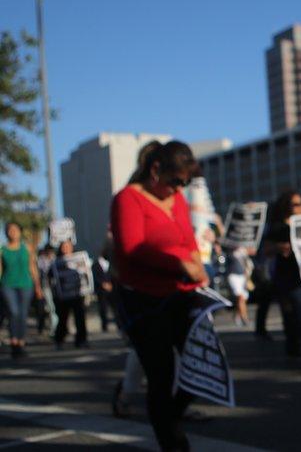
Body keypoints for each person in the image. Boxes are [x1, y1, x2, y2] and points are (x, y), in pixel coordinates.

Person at [111, 140, 209, 451]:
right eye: (175, 181)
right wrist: (178, 263)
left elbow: (187, 238)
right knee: (161, 373)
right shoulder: (128, 199)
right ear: (155, 170)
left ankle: (170, 419)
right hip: (145, 299)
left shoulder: (178, 199)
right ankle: (171, 440)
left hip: (182, 294)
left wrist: (196, 264)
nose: (179, 188)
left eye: (184, 182)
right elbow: (132, 247)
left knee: (200, 367)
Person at [263, 190, 301, 368]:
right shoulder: (277, 228)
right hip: (288, 277)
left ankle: (293, 347)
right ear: (286, 207)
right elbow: (266, 250)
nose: (300, 208)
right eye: (295, 204)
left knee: (294, 314)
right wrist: (280, 247)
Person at [1, 222, 43, 359]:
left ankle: (21, 342)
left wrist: (37, 286)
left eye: (15, 229)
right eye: (10, 230)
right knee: (13, 311)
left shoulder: (27, 248)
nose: (13, 232)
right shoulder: (3, 250)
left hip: (26, 284)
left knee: (23, 313)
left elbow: (32, 267)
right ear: (6, 233)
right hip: (8, 284)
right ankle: (13, 340)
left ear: (20, 231)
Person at [51, 241, 89, 348]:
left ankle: (81, 340)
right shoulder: (56, 262)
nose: (66, 248)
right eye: (64, 246)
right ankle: (59, 340)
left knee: (79, 317)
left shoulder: (79, 259)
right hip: (63, 296)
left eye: (68, 246)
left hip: (77, 294)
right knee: (63, 318)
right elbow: (51, 278)